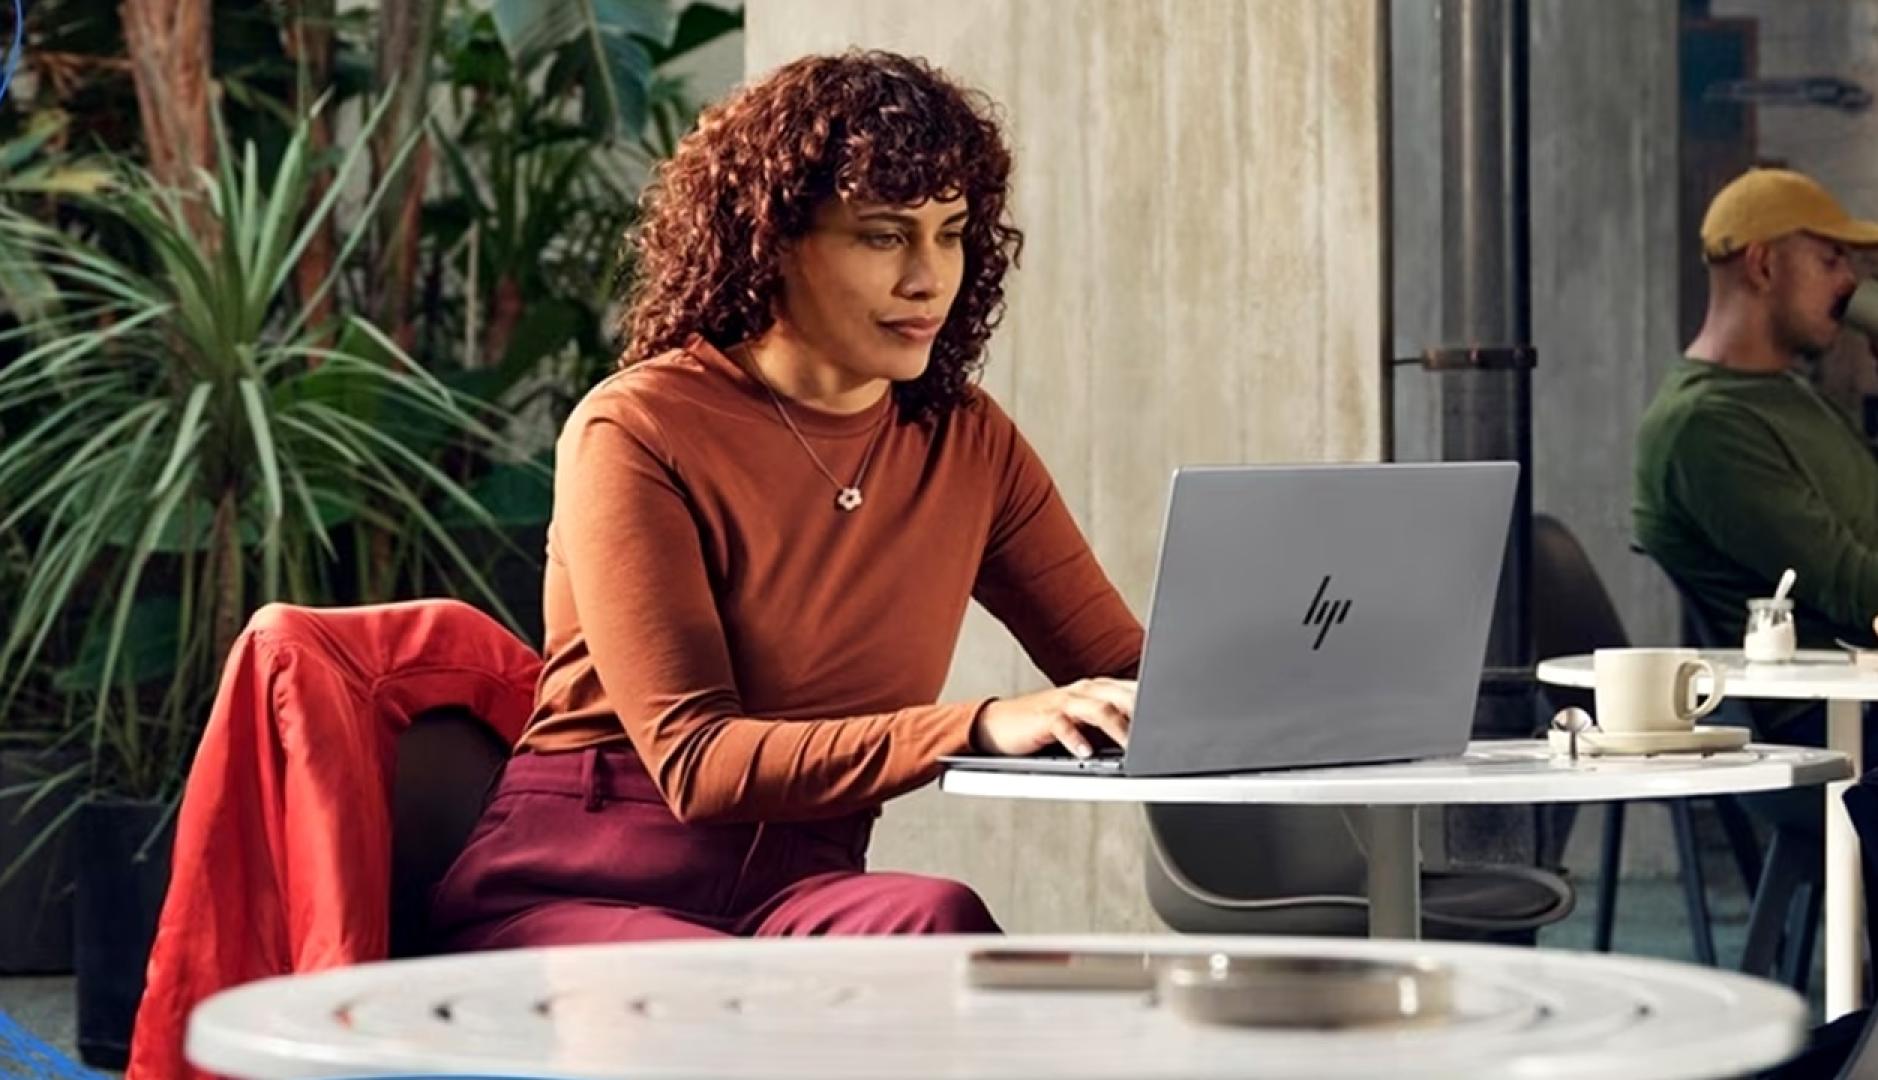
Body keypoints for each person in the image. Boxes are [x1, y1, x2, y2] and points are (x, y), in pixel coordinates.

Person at [430, 50, 1144, 948]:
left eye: (952, 231)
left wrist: (1318, 678)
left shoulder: (966, 439)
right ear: (770, 240)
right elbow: (694, 761)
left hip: (798, 894)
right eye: (884, 236)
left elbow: (1126, 668)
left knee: (937, 921)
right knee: (734, 1008)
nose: (929, 277)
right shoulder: (637, 429)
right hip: (581, 891)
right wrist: (977, 725)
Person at [1634, 167, 1878, 655]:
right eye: (1830, 261)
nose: (1850, 282)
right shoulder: (1704, 425)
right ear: (1763, 266)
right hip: (1841, 712)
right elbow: (1856, 589)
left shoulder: (1785, 391)